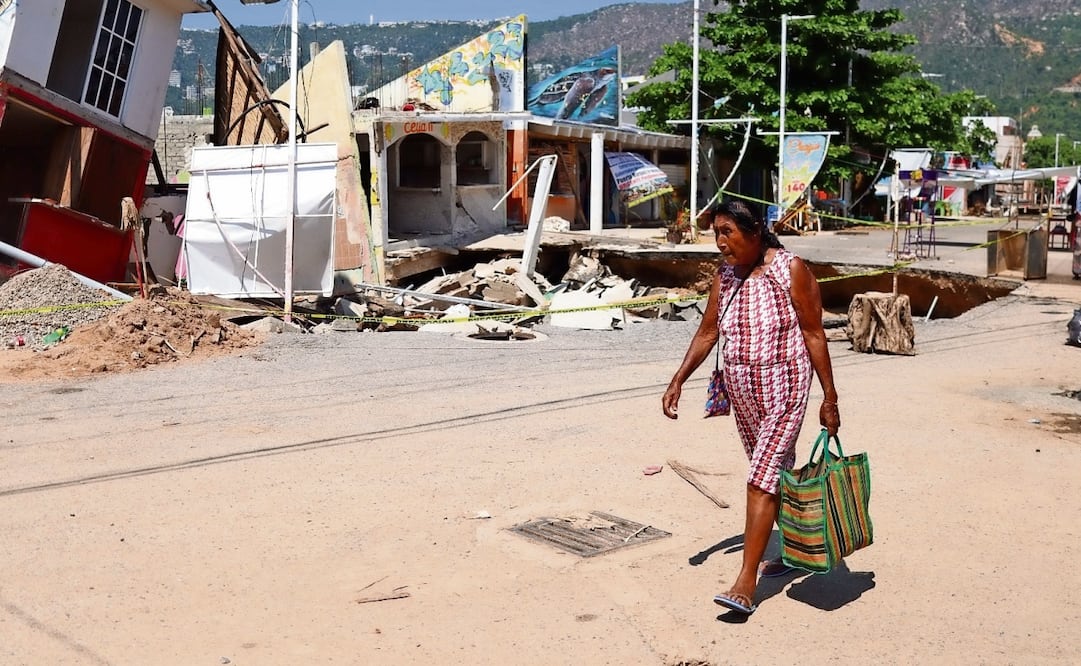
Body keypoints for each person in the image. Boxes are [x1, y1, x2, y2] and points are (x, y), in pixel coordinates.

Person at [661, 199, 841, 616]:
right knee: (774, 473)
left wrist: (829, 398)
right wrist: (678, 380)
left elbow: (814, 334)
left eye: (728, 232)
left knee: (760, 477)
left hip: (786, 387)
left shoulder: (790, 269)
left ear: (755, 231)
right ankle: (798, 549)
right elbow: (708, 333)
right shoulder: (725, 277)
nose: (721, 243)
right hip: (742, 391)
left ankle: (746, 581)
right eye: (716, 234)